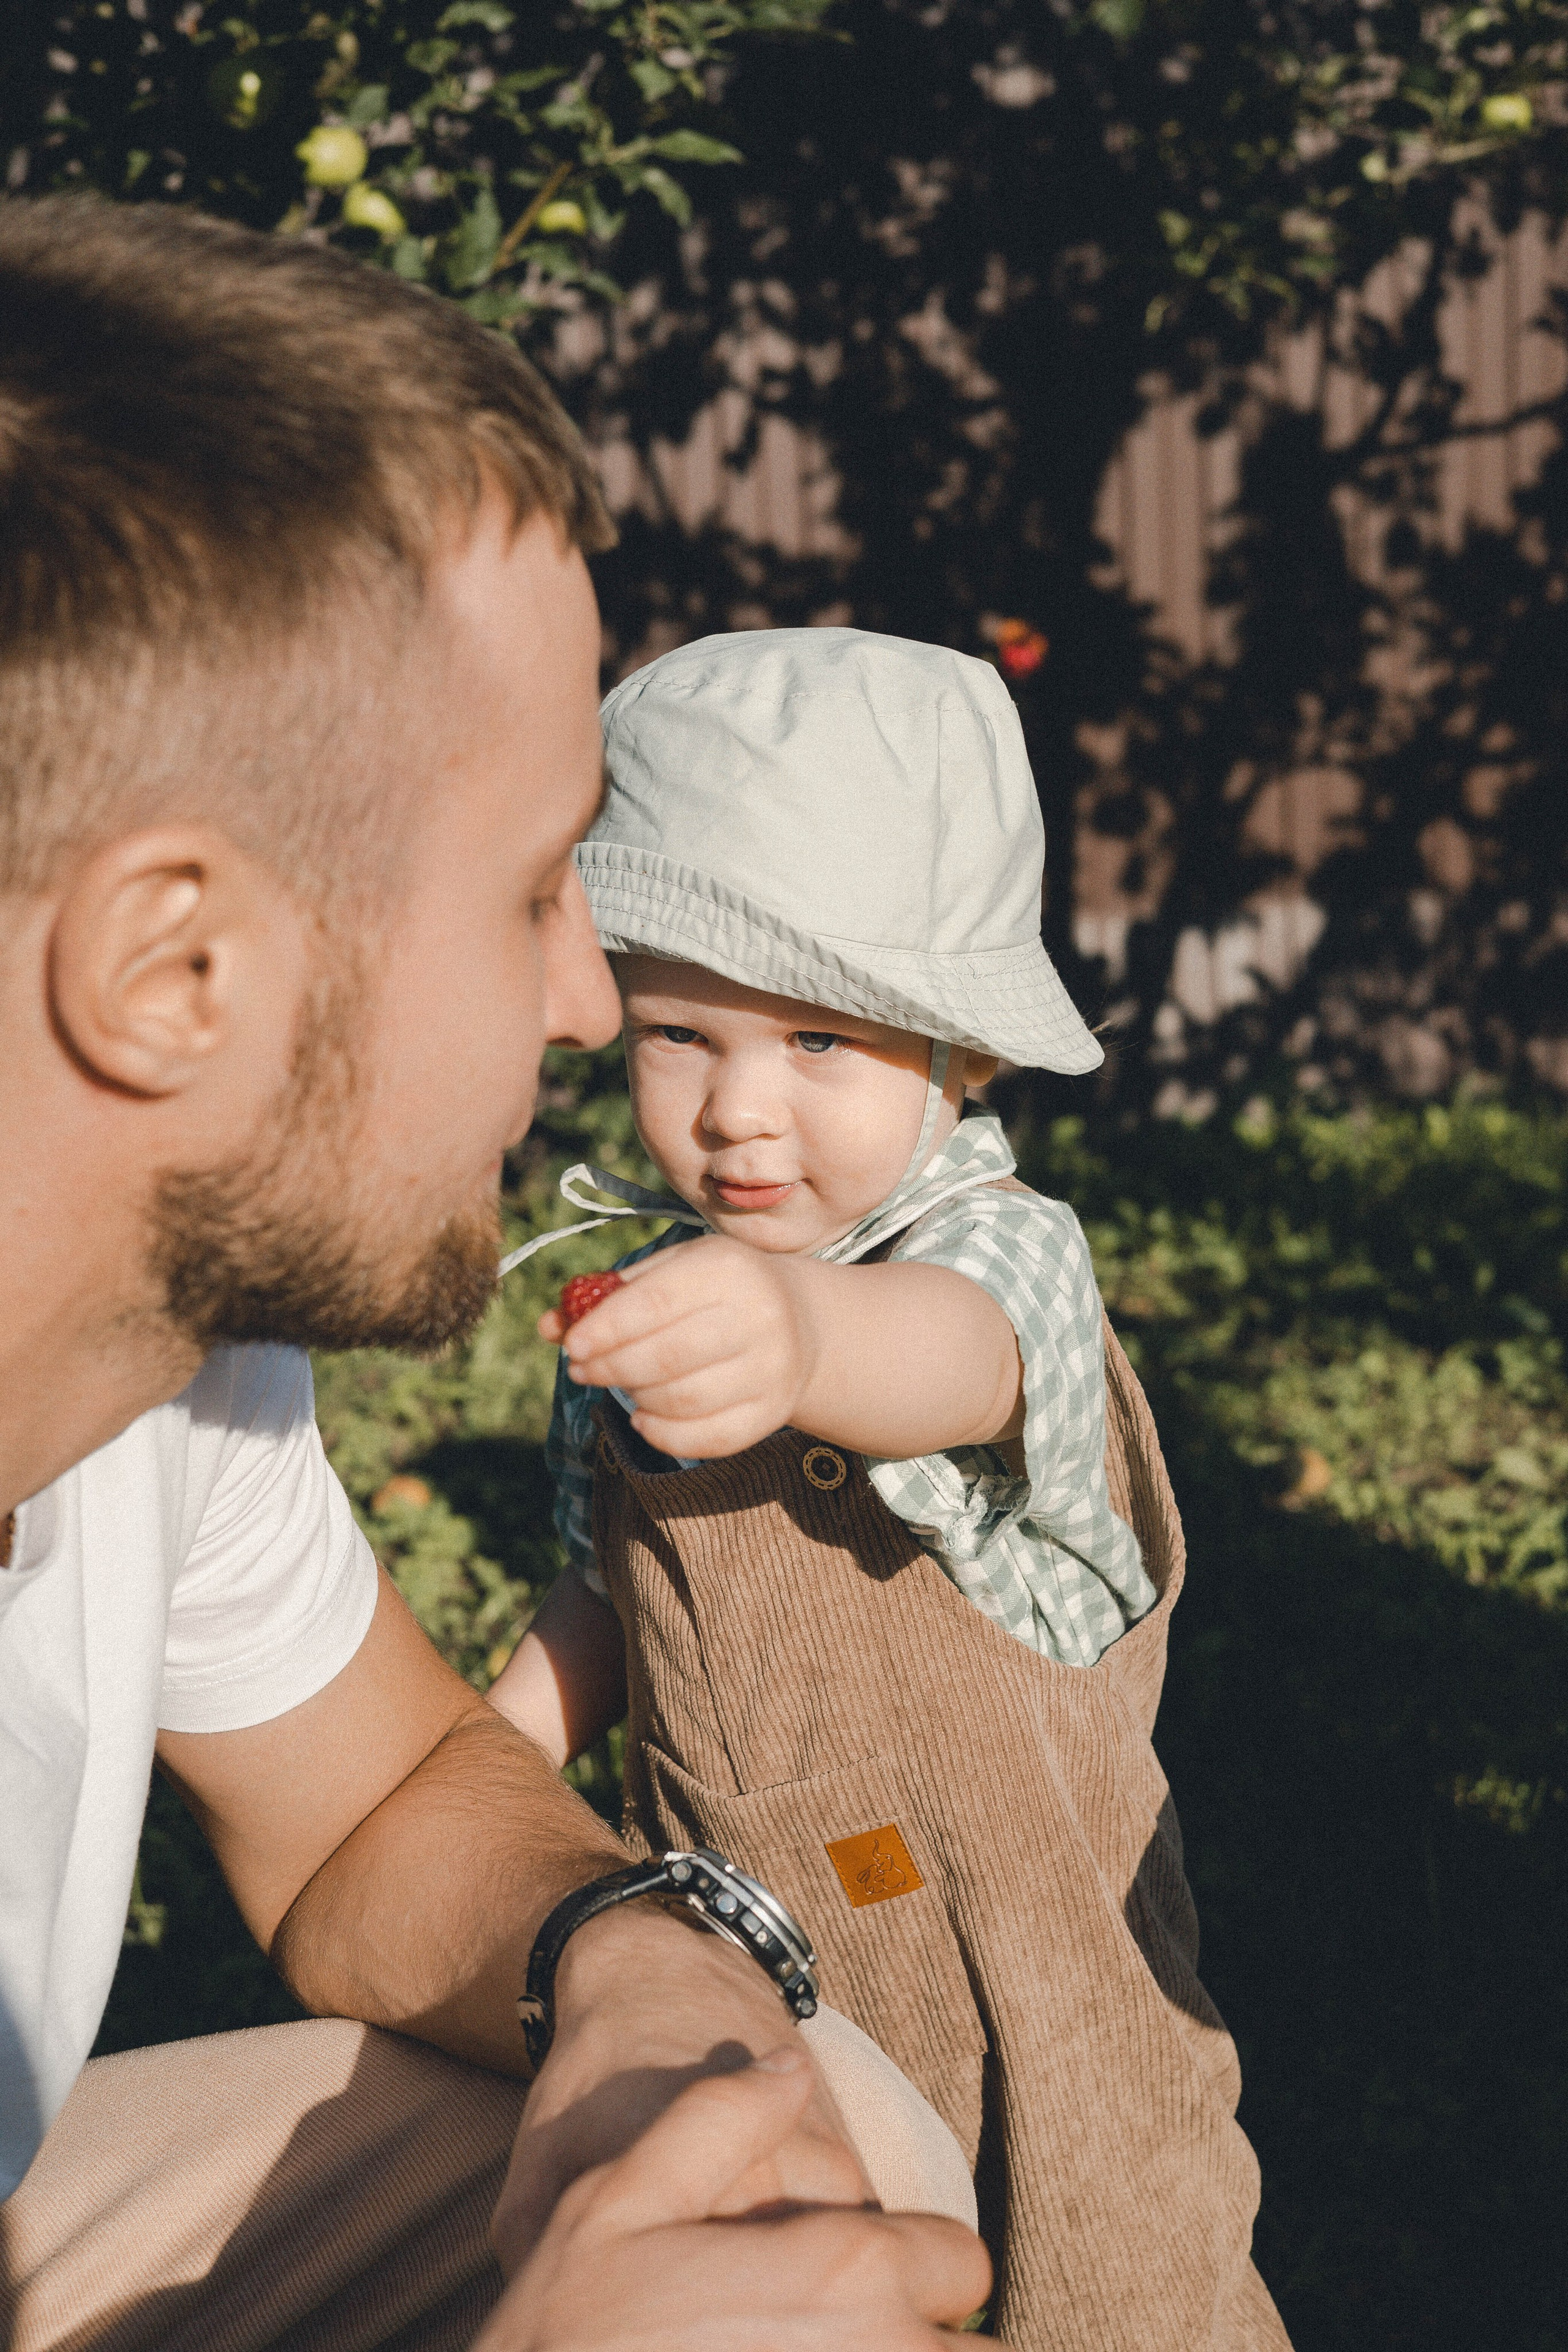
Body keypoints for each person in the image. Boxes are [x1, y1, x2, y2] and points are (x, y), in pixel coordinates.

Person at [0, 198, 995, 2351]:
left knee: (779, 2125)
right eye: (539, 889)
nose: (587, 1005)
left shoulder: (166, 1356)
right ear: (174, 970)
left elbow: (366, 1804)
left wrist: (632, 1964)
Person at [488, 628, 1294, 2348]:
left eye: (819, 1040)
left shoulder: (996, 1259)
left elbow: (952, 1360)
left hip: (1049, 1980)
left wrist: (797, 1331)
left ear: (959, 1056)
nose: (739, 1110)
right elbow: (611, 1592)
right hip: (766, 1972)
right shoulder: (652, 1309)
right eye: (680, 1033)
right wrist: (489, 1759)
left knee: (1123, 2283)